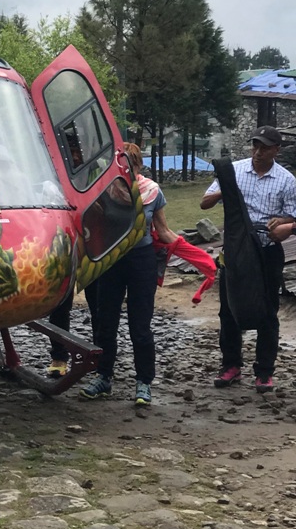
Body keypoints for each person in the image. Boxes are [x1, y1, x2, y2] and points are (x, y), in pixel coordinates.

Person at [80, 143, 178, 405]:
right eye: (121, 164)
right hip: (111, 261)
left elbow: (164, 231)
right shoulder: (104, 190)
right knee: (105, 322)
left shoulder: (151, 191)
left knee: (140, 325)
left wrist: (196, 256)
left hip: (141, 261)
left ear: (139, 165)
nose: (126, 169)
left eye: (130, 163)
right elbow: (90, 224)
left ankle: (144, 382)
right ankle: (103, 377)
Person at [200, 125, 296, 393]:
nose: (258, 151)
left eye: (264, 147)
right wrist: (227, 190)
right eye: (255, 145)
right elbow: (205, 203)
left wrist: (286, 224)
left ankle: (264, 372)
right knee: (228, 309)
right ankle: (231, 366)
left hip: (266, 251)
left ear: (276, 150)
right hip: (235, 251)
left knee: (268, 310)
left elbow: (293, 216)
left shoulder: (286, 180)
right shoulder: (235, 171)